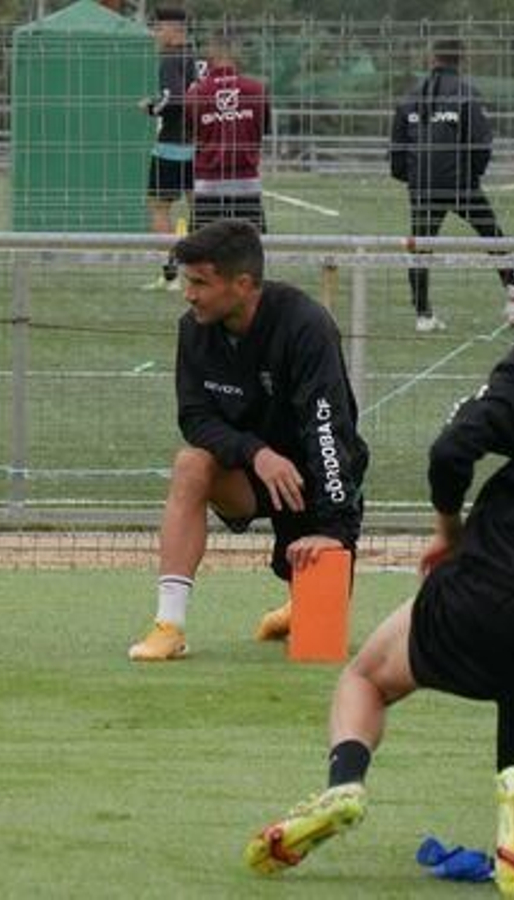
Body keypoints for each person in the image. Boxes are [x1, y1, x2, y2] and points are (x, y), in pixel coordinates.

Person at [244, 253, 514, 897]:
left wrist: (450, 531)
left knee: (366, 676)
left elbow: (451, 449)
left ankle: (344, 784)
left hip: (487, 586)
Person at [129, 220, 367, 662]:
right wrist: (256, 454)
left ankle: (299, 606)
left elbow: (328, 428)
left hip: (315, 480)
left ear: (242, 284)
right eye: (187, 280)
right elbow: (195, 418)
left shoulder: (306, 325)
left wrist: (334, 529)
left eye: (200, 282)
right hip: (248, 473)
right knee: (190, 464)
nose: (189, 293)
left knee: (317, 642)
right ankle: (169, 626)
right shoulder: (193, 329)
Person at [390, 40, 514, 333]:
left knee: (421, 248)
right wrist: (471, 176)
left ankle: (423, 315)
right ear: (462, 60)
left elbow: (397, 147)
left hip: (423, 186)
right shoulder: (466, 95)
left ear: (431, 58)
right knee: (490, 232)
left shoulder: (410, 97)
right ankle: (511, 284)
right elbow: (482, 144)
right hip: (460, 183)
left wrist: (410, 178)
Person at [142, 6, 205, 293]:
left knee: (158, 208)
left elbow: (174, 99)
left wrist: (151, 108)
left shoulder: (169, 58)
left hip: (170, 144)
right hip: (199, 145)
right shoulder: (196, 56)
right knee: (200, 210)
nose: (155, 33)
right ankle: (201, 274)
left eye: (158, 27)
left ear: (172, 29)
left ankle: (172, 275)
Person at [183, 28, 270, 233]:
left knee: (202, 255)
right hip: (246, 183)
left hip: (208, 185)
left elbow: (190, 133)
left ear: (210, 53)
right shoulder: (256, 89)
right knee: (250, 253)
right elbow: (261, 130)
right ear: (238, 53)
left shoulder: (197, 92)